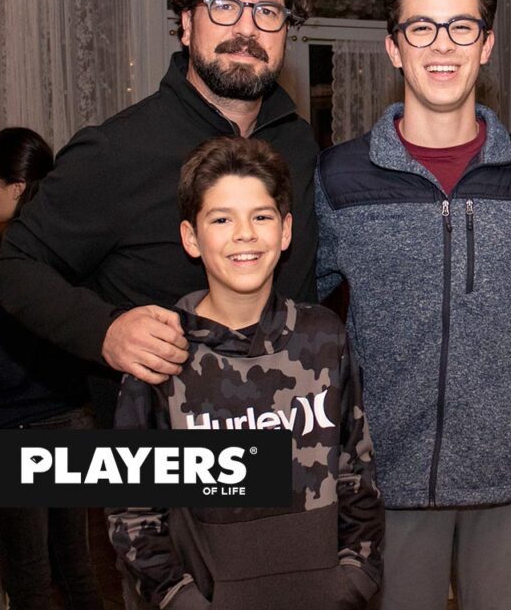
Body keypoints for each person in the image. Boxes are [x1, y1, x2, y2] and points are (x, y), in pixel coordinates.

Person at [0, 0, 319, 428]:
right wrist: (105, 331)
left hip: (290, 433)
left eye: (267, 11)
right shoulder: (117, 150)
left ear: (285, 31)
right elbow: (14, 268)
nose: (247, 28)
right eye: (225, 6)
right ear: (186, 23)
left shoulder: (298, 144)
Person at [315, 0, 511, 610]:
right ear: (394, 47)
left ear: (486, 44)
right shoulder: (338, 176)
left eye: (461, 27)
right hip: (380, 481)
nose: (442, 45)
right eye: (421, 28)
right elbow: (288, 311)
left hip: (507, 480)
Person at [109, 136, 382, 610]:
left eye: (261, 217)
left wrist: (353, 581)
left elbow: (356, 471)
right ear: (191, 237)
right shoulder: (160, 353)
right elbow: (132, 511)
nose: (244, 234)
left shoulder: (324, 337)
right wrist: (183, 601)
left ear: (286, 230)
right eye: (221, 219)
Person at [0, 127, 103, 610]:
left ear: (17, 186)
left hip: (18, 432)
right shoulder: (64, 248)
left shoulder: (18, 263)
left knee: (29, 584)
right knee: (76, 572)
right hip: (72, 418)